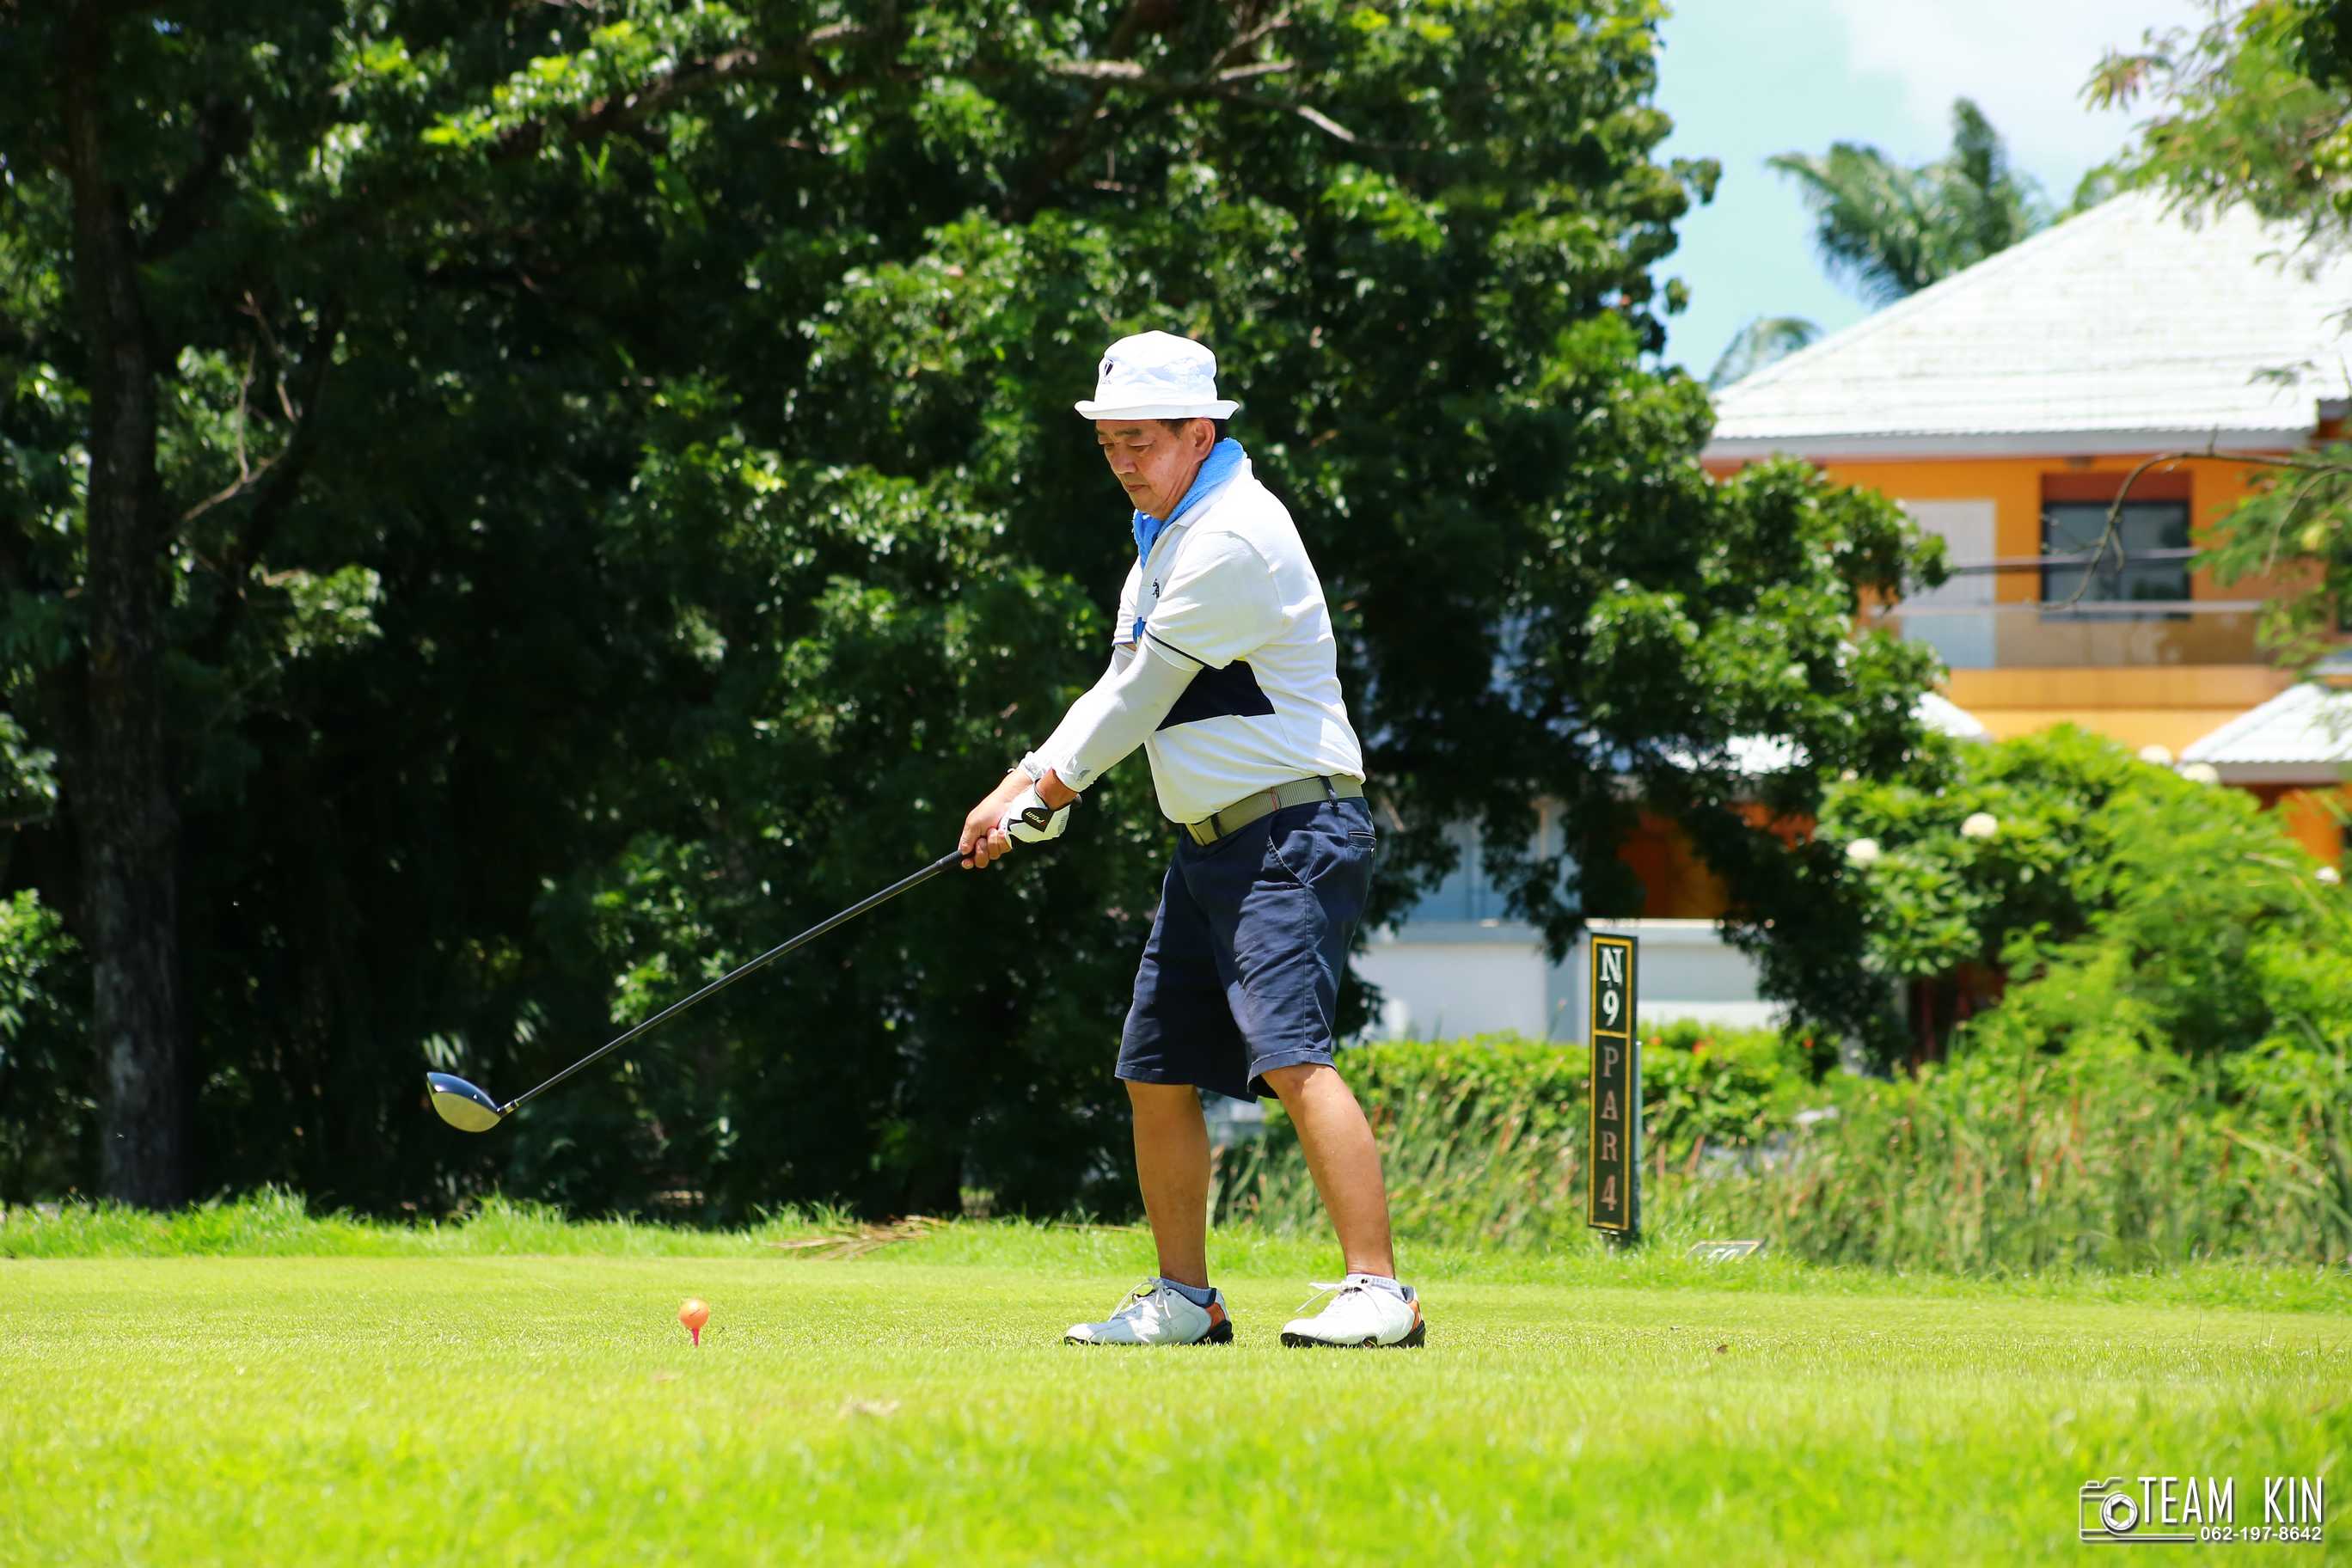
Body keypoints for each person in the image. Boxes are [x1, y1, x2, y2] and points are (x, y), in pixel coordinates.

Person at [959, 330, 1424, 1350]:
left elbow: (1142, 699)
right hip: (1212, 845)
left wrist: (1051, 791)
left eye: (1141, 442)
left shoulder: (1233, 537)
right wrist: (1019, 785)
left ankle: (1381, 1291)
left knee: (1292, 1057)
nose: (1123, 462)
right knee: (1156, 1066)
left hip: (1291, 828)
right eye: (1110, 444)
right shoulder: (1162, 538)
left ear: (1199, 433)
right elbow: (1115, 689)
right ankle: (1186, 1299)